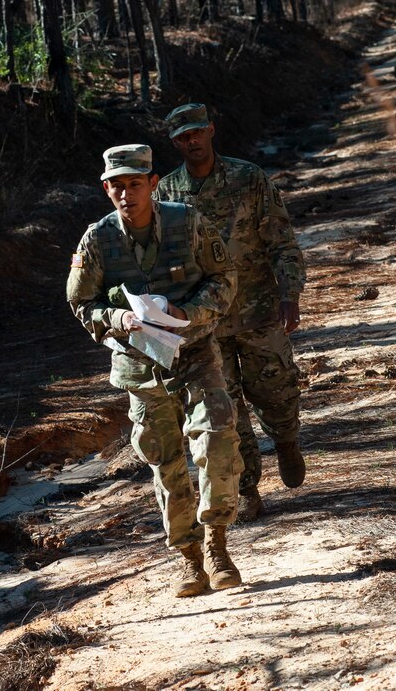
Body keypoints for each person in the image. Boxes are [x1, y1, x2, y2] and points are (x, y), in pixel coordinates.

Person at [67, 143, 245, 597]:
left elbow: (224, 279)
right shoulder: (97, 239)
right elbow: (80, 302)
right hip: (140, 365)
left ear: (152, 183)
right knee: (165, 462)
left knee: (218, 438)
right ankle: (188, 559)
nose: (126, 194)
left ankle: (218, 545)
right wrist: (115, 319)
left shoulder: (188, 223)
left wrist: (190, 313)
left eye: (134, 184)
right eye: (117, 186)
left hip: (194, 352)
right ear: (106, 189)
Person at [155, 104, 306, 522]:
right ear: (175, 143)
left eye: (197, 132)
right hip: (206, 322)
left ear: (211, 130)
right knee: (225, 412)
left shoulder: (248, 178)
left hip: (258, 310)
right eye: (183, 137)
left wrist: (288, 293)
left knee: (276, 391)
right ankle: (248, 490)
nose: (192, 141)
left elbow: (283, 242)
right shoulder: (165, 194)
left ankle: (287, 439)